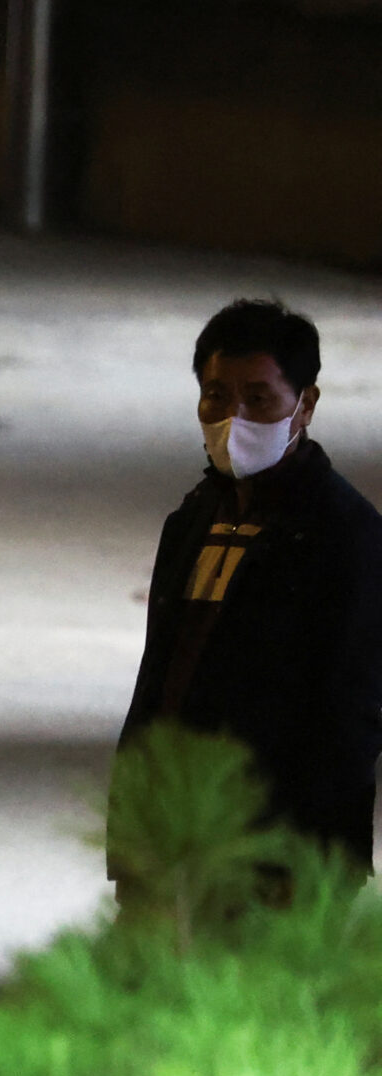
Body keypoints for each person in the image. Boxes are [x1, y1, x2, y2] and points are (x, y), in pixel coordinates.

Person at [117, 299, 382, 869]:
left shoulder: (344, 535)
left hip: (276, 858)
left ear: (305, 405)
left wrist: (311, 868)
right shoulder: (192, 522)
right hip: (173, 839)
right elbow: (161, 682)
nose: (232, 418)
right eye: (216, 395)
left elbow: (349, 721)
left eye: (258, 399)